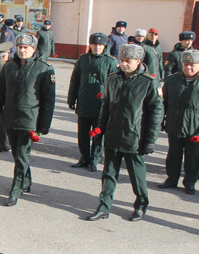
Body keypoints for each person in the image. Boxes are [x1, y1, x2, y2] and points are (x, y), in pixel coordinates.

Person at [87, 44, 163, 222]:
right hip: (113, 134)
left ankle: (141, 206)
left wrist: (150, 140)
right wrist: (100, 129)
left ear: (138, 61)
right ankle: (104, 207)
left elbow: (156, 112)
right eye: (122, 61)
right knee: (108, 175)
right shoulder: (113, 79)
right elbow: (105, 106)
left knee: (137, 177)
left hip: (134, 138)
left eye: (128, 61)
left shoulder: (149, 82)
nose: (123, 64)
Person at [0, 33, 56, 206]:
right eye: (19, 47)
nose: (22, 50)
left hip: (30, 119)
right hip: (10, 116)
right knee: (16, 153)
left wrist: (44, 125)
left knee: (21, 153)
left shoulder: (43, 68)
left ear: (33, 49)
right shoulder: (9, 66)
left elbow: (49, 100)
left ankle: (16, 189)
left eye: (25, 47)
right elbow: (0, 93)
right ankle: (26, 180)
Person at [67, 33, 117, 172]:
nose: (97, 47)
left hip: (101, 104)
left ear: (105, 46)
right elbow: (75, 80)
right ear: (90, 45)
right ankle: (84, 157)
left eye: (100, 45)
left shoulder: (110, 62)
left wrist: (112, 103)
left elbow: (114, 84)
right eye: (95, 45)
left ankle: (95, 159)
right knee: (82, 133)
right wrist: (71, 98)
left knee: (97, 133)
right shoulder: (83, 60)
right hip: (83, 101)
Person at [158, 49, 199, 195]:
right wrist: (162, 121)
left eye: (192, 64)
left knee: (193, 157)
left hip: (195, 129)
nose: (189, 68)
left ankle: (190, 182)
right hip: (174, 124)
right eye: (186, 64)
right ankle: (171, 179)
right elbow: (164, 103)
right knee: (173, 154)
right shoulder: (171, 80)